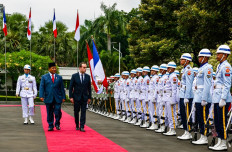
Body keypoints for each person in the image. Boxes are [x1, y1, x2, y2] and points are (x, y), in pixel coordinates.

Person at [209, 45, 232, 151]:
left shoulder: (227, 67)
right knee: (217, 121)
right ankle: (219, 141)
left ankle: (223, 143)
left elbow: (227, 84)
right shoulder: (220, 66)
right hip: (217, 97)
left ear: (225, 55)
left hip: (223, 99)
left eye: (219, 54)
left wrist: (223, 98)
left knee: (222, 121)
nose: (217, 55)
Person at [192, 49, 213, 145]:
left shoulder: (208, 68)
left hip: (203, 97)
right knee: (200, 117)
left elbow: (207, 85)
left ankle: (204, 137)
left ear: (205, 57)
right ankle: (202, 135)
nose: (199, 58)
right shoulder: (201, 68)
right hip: (198, 96)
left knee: (204, 118)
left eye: (201, 57)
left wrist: (204, 98)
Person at [39, 62, 66, 131]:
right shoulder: (44, 77)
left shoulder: (59, 77)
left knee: (58, 111)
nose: (54, 69)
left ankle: (57, 123)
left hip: (58, 98)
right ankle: (50, 125)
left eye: (55, 68)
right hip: (48, 97)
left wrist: (63, 97)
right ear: (49, 69)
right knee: (49, 112)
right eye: (52, 68)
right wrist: (41, 96)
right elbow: (42, 87)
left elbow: (62, 88)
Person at [69, 62, 91, 132]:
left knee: (83, 112)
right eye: (84, 67)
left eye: (86, 67)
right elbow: (71, 87)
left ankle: (82, 126)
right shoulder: (74, 76)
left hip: (84, 97)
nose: (85, 69)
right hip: (76, 97)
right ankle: (77, 124)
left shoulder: (87, 77)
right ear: (80, 68)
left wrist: (89, 97)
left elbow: (89, 88)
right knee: (76, 111)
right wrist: (71, 97)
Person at [177, 53, 194, 140]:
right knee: (183, 114)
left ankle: (189, 132)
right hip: (182, 93)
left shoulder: (188, 70)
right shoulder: (184, 70)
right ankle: (185, 131)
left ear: (187, 61)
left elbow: (189, 84)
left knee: (187, 114)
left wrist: (187, 97)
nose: (181, 61)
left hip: (186, 95)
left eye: (182, 59)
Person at [163, 62, 178, 136]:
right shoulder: (170, 76)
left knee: (172, 114)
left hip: (170, 97)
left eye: (169, 68)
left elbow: (174, 89)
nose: (167, 69)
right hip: (167, 96)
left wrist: (173, 99)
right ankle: (170, 128)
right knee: (168, 114)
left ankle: (173, 129)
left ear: (172, 68)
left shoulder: (173, 76)